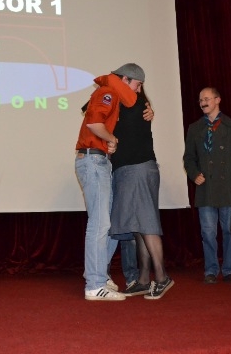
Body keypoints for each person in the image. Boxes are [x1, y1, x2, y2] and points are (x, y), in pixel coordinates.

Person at [75, 63, 141, 301]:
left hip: (98, 161)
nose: (138, 91)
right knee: (100, 223)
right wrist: (111, 138)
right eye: (137, 85)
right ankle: (94, 285)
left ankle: (98, 276)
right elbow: (94, 124)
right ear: (125, 79)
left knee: (109, 224)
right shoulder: (108, 92)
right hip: (93, 162)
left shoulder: (110, 93)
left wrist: (108, 142)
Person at [109, 79, 174, 300]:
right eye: (134, 84)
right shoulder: (123, 104)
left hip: (138, 168)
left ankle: (162, 277)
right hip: (131, 170)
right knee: (138, 227)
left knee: (146, 224)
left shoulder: (136, 103)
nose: (137, 89)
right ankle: (144, 279)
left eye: (138, 85)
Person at [183, 87, 231, 284]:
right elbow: (188, 158)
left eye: (207, 99)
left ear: (218, 100)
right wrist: (194, 174)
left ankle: (229, 270)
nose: (203, 102)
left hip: (228, 187)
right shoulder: (195, 128)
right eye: (200, 100)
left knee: (229, 231)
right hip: (205, 189)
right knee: (208, 233)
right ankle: (210, 270)